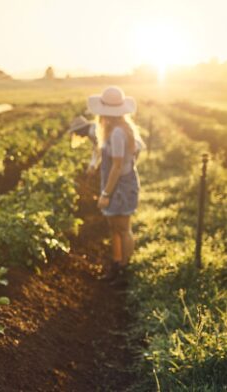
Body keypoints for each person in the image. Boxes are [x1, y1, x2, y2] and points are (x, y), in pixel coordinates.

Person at [85, 86, 143, 284]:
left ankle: (125, 271)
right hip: (118, 184)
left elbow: (117, 167)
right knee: (114, 227)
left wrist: (106, 193)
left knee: (123, 228)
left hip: (121, 187)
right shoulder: (117, 129)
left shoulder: (118, 133)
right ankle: (117, 264)